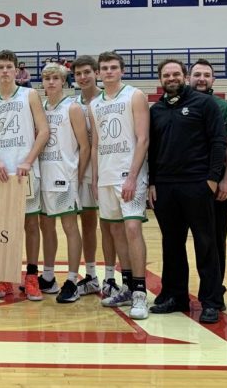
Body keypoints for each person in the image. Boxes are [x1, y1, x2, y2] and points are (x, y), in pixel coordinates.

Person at [147, 59, 226, 324]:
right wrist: (152, 182)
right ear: (160, 79)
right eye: (166, 75)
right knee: (172, 244)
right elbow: (152, 150)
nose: (171, 78)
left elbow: (218, 142)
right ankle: (175, 296)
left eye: (176, 74)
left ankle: (211, 301)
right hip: (166, 188)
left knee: (206, 244)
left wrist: (213, 179)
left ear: (184, 76)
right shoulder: (156, 110)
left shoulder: (205, 104)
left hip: (197, 184)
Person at [0, 50, 49, 300]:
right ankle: (6, 277)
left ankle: (31, 277)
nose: (6, 71)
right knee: (4, 227)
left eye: (10, 67)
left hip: (25, 171)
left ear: (17, 71)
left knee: (31, 224)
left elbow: (43, 131)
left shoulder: (30, 94)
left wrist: (28, 161)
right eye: (2, 67)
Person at [88, 51, 150, 320]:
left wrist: (133, 176)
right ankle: (126, 287)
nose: (109, 72)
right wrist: (95, 177)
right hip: (106, 175)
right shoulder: (94, 104)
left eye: (114, 67)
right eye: (104, 68)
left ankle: (140, 293)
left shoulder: (134, 96)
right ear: (99, 73)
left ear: (122, 70)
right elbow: (95, 145)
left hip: (129, 174)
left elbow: (143, 139)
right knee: (115, 232)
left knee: (133, 229)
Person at [189, 58, 227, 302]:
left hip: (213, 184)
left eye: (206, 75)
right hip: (182, 184)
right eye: (197, 74)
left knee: (213, 238)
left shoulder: (223, 107)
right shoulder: (174, 105)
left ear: (213, 80)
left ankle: (214, 291)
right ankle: (177, 292)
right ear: (189, 77)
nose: (201, 78)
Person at [38, 62, 90, 303]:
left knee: (70, 227)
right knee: (45, 227)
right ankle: (48, 276)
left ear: (63, 81)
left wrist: (77, 177)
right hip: (42, 176)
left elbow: (85, 146)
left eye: (55, 78)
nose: (51, 82)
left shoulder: (73, 107)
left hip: (64, 176)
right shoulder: (39, 108)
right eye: (47, 78)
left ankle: (71, 279)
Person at [71, 55, 111, 297]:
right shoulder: (72, 104)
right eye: (78, 74)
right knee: (87, 224)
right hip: (83, 171)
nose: (83, 77)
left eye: (87, 72)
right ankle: (92, 276)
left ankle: (110, 277)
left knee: (109, 225)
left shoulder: (110, 99)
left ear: (96, 72)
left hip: (107, 168)